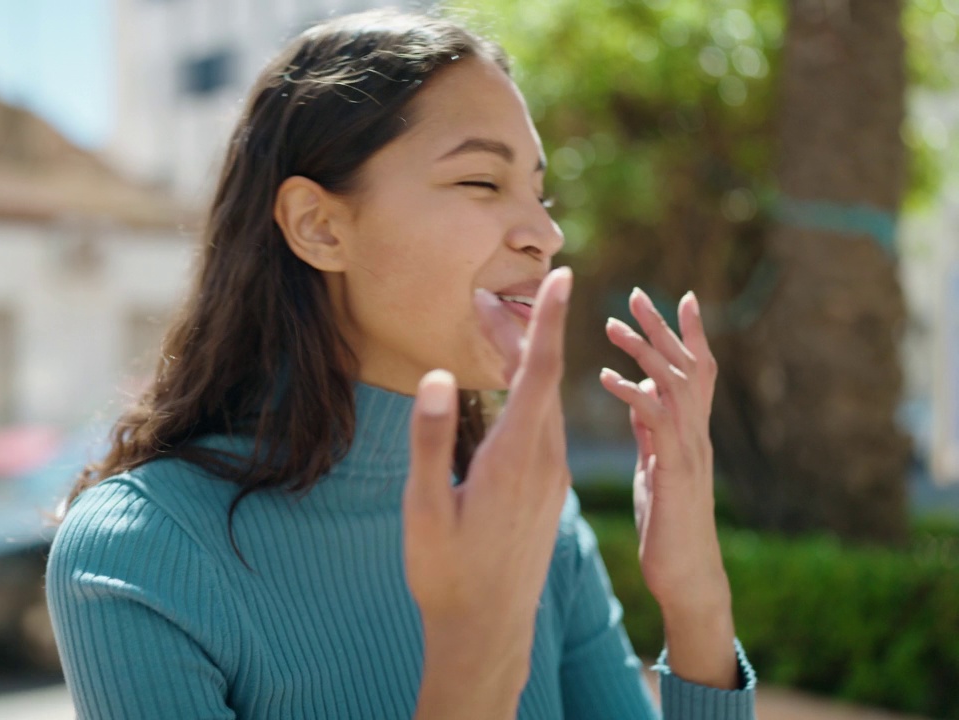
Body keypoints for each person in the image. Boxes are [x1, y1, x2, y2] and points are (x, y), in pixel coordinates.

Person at [46, 9, 756, 719]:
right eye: (482, 182)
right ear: (319, 227)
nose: (546, 232)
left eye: (540, 194)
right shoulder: (139, 553)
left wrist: (695, 594)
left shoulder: (536, 519)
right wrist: (473, 658)